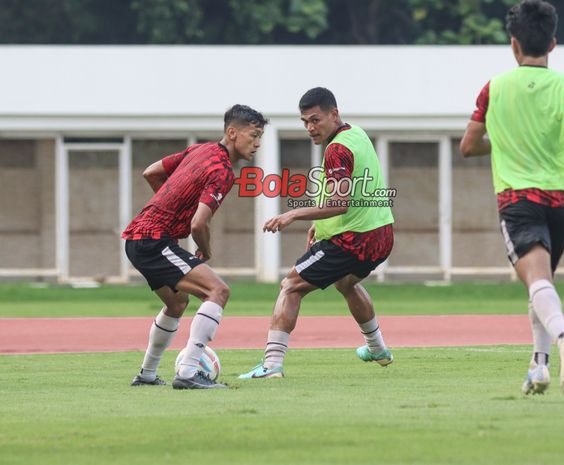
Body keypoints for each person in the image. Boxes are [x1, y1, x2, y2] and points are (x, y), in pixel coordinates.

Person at [460, 0, 564, 400]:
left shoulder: (493, 88)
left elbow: (468, 145)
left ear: (514, 45)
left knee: (537, 282)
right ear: (553, 43)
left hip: (519, 199)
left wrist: (505, 145)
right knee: (542, 282)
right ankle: (539, 366)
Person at [239, 87, 395, 379]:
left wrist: (293, 214)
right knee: (345, 283)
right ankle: (377, 348)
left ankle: (272, 365)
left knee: (291, 286)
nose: (310, 128)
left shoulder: (337, 149)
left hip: (353, 239)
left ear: (334, 114)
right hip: (381, 235)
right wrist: (318, 224)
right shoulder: (355, 134)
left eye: (315, 120)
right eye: (305, 122)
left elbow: (338, 203)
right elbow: (353, 193)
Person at [123, 104, 268, 389]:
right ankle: (189, 371)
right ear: (232, 132)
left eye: (260, 136)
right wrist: (206, 249)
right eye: (254, 135)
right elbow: (199, 225)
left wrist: (173, 205)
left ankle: (147, 375)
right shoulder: (223, 170)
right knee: (218, 290)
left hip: (137, 238)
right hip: (153, 241)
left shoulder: (199, 150)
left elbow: (151, 172)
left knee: (177, 303)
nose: (258, 143)